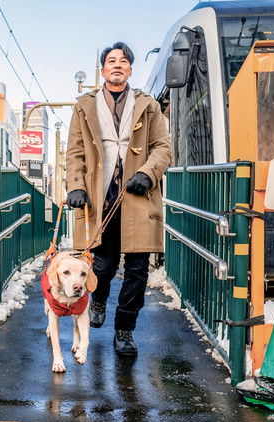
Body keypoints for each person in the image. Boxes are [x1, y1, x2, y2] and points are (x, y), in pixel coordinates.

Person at [65, 41, 172, 356]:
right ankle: (97, 298)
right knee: (103, 263)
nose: (117, 65)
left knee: (138, 269)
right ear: (103, 69)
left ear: (129, 69)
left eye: (123, 61)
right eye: (112, 60)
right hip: (100, 198)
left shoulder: (148, 105)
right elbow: (75, 151)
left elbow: (163, 148)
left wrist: (148, 173)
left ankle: (124, 330)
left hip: (138, 196)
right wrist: (75, 185)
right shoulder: (84, 105)